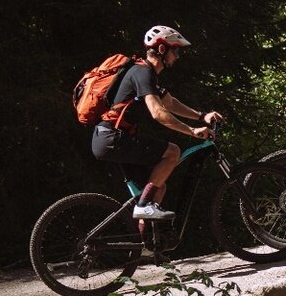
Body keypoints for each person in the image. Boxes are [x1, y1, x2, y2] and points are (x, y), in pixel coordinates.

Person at [91, 25, 223, 220]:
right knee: (173, 152)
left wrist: (201, 116)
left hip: (111, 138)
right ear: (162, 49)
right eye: (175, 50)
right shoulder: (142, 73)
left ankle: (146, 236)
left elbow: (169, 103)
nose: (177, 56)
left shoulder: (147, 75)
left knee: (157, 189)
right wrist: (192, 131)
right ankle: (143, 206)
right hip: (112, 138)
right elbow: (158, 112)